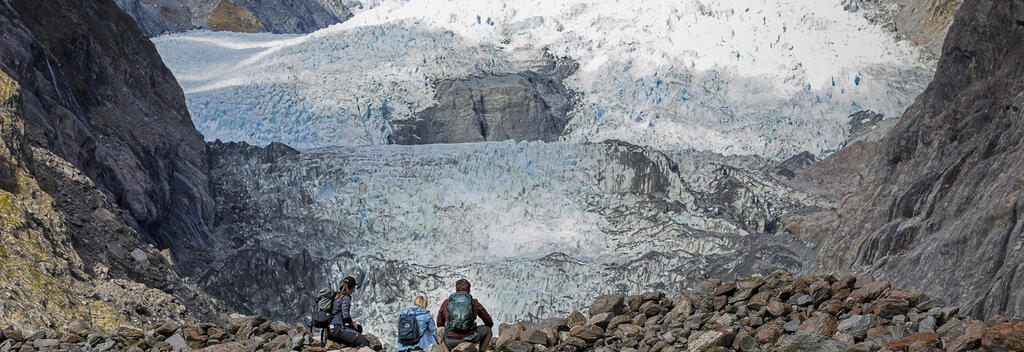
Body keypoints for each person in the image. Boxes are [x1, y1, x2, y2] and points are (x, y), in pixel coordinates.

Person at [436, 279, 493, 352]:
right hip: (470, 338)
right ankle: (481, 351)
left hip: (450, 340)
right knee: (488, 330)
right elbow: (488, 321)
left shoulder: (447, 302)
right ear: (469, 290)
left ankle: (446, 351)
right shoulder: (473, 302)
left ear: (456, 289)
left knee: (438, 330)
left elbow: (439, 323)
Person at [329, 276, 371, 348]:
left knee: (359, 328)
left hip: (329, 330)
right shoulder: (345, 297)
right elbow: (345, 316)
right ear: (352, 287)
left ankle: (345, 344)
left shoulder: (337, 295)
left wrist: (352, 323)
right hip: (337, 330)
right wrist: (352, 323)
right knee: (365, 341)